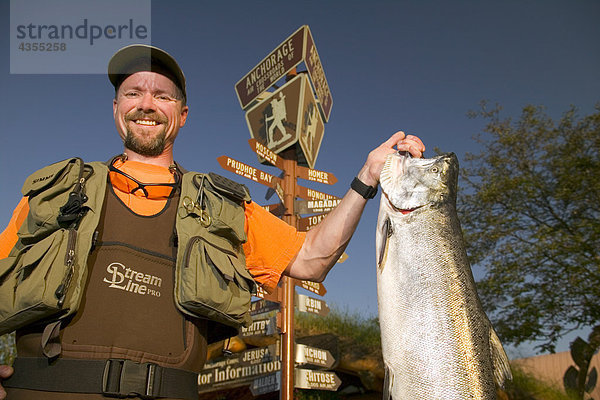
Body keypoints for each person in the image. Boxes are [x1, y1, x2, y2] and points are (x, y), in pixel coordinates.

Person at [0, 45, 425, 399]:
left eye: (163, 96)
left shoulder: (224, 207)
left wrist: (367, 177)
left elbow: (313, 258)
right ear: (116, 108)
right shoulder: (56, 190)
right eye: (133, 93)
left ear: (182, 115)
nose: (146, 104)